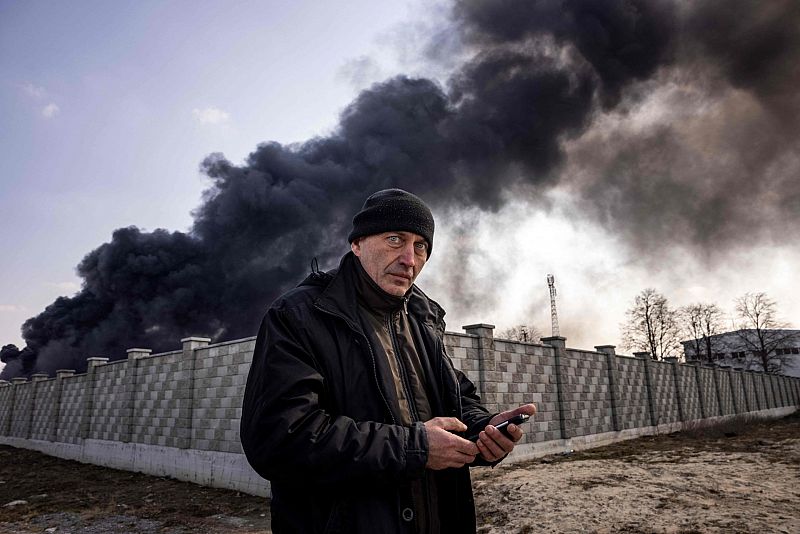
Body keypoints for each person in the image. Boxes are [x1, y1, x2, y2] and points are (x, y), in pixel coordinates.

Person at [241, 189, 536, 533]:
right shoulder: (299, 316)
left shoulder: (424, 320)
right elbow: (279, 439)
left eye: (420, 246)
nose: (409, 259)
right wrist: (416, 448)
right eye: (395, 239)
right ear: (357, 244)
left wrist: (482, 432)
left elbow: (456, 399)